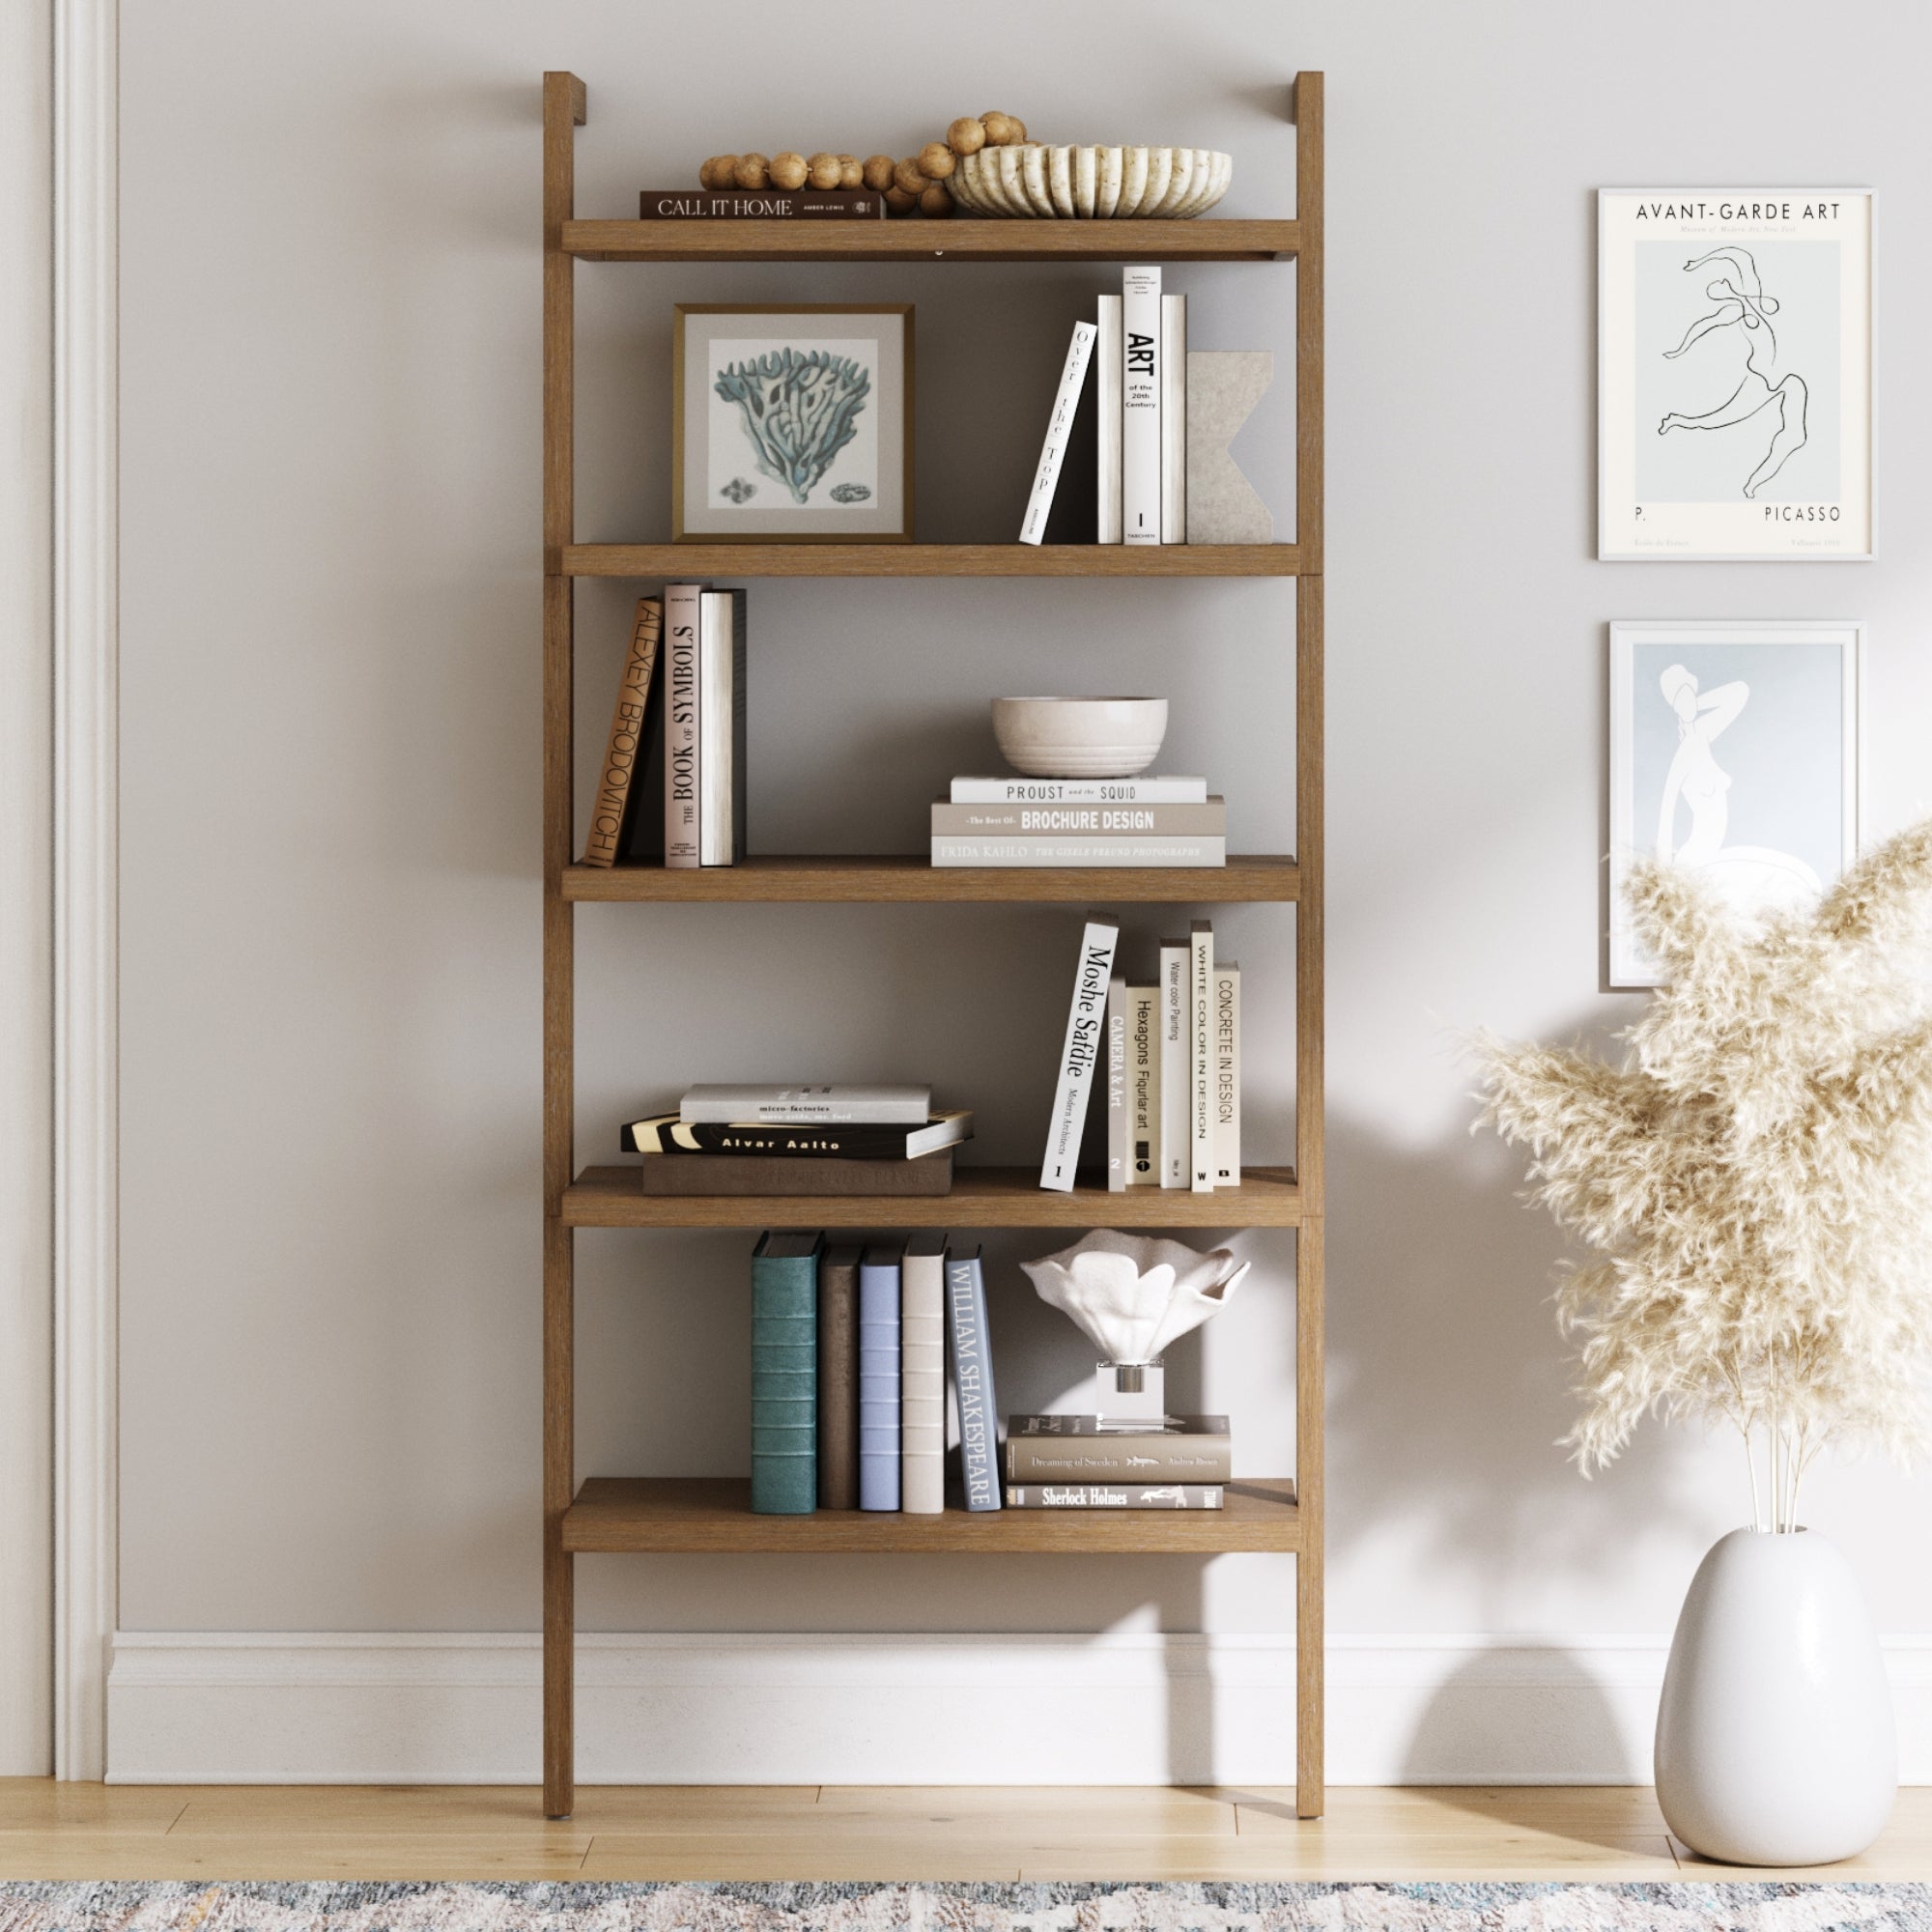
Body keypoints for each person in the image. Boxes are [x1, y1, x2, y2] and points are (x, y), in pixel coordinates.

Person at [1655, 664, 1819, 915]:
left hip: (1712, 853)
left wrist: (1695, 703)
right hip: (1698, 857)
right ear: (1674, 706)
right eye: (1679, 700)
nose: (1686, 703)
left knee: (1783, 881)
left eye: (1689, 693)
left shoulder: (1702, 734)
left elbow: (1738, 693)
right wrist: (1663, 875)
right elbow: (1666, 810)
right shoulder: (1684, 754)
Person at [1657, 247, 1809, 499]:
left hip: (1787, 380)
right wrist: (1681, 348)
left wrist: (1701, 260)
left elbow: (1740, 257)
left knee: (1795, 437)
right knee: (1715, 420)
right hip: (1762, 381)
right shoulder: (1735, 311)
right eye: (1717, 289)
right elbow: (1703, 325)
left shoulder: (1755, 294)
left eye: (1720, 283)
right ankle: (1679, 421)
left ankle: (1752, 485)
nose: (1722, 283)